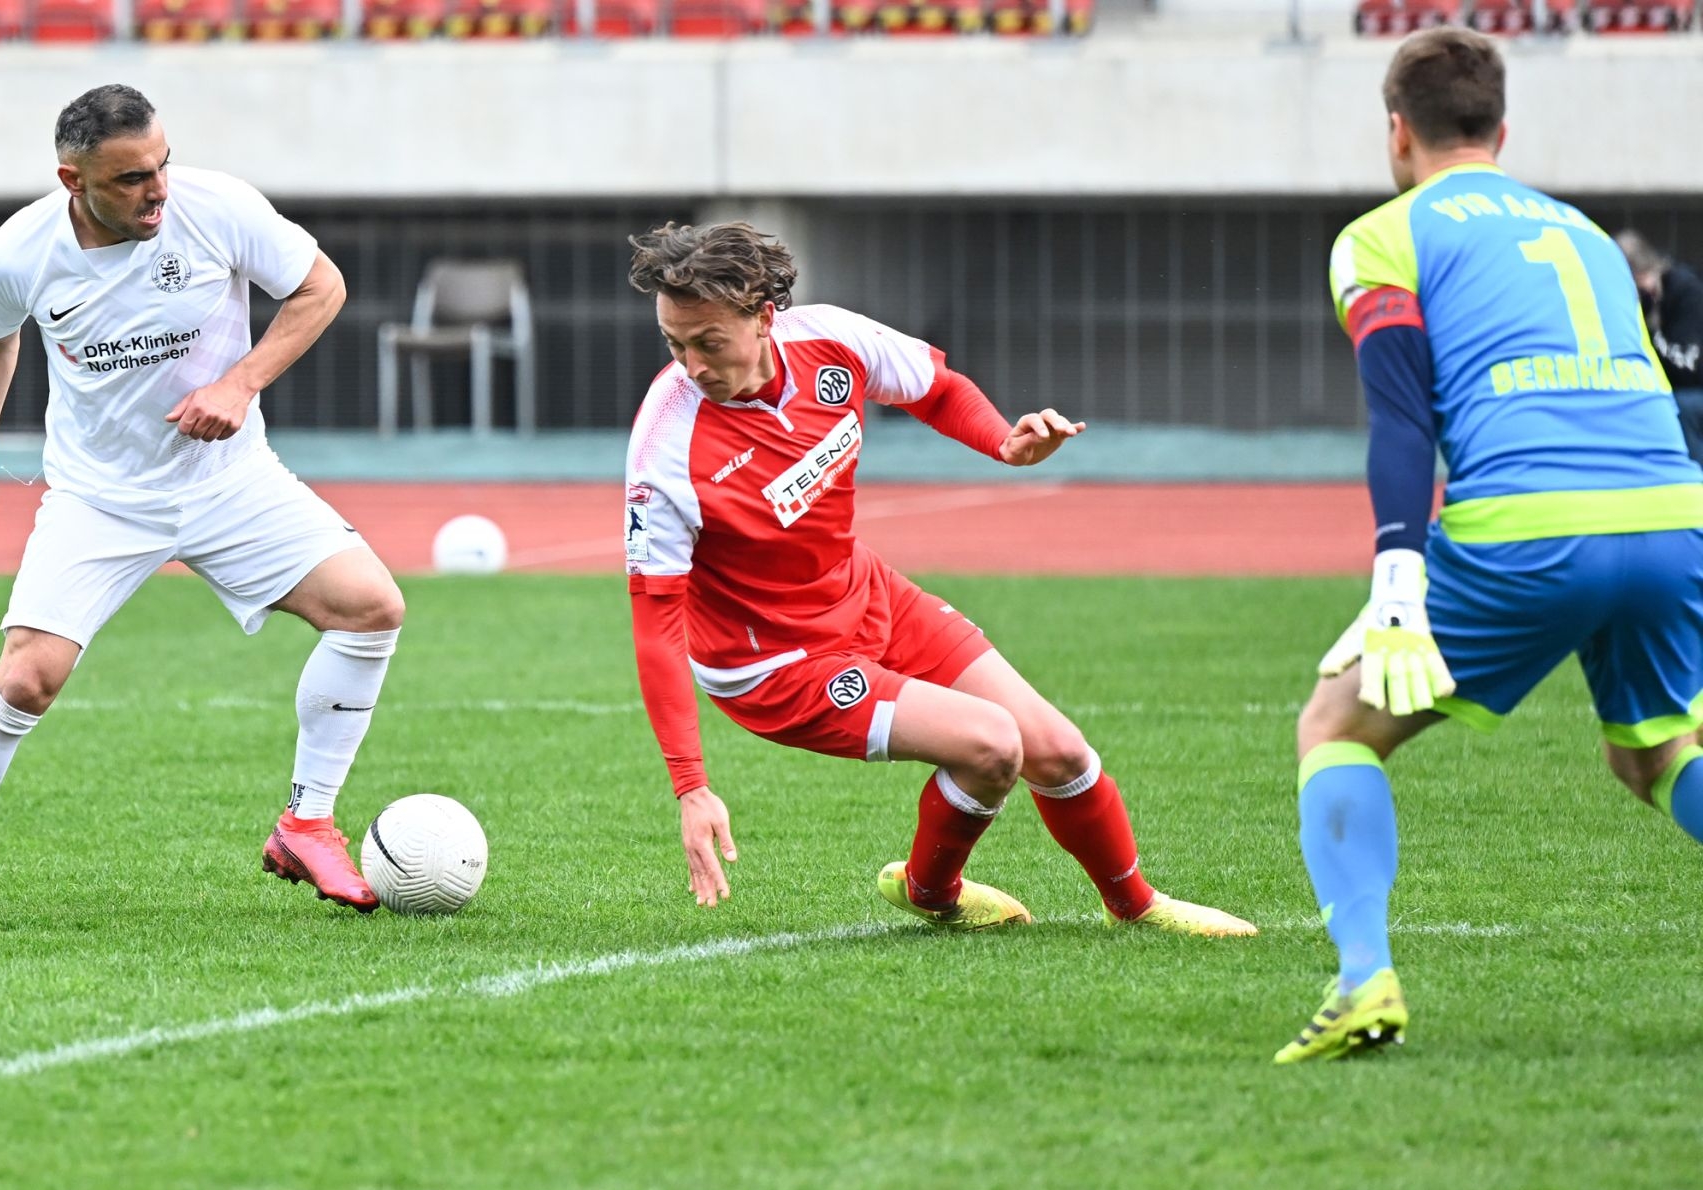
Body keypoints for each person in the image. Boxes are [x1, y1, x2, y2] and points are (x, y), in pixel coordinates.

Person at [621, 221, 1258, 938]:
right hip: (773, 666)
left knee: (1058, 751)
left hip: (864, 593)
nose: (692, 365)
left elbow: (935, 389)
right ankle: (933, 891)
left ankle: (1136, 907)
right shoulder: (666, 448)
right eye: (674, 344)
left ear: (765, 318)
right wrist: (691, 786)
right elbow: (656, 627)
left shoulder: (830, 338)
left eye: (709, 342)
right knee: (993, 745)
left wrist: (1003, 442)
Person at [0, 85, 405, 919]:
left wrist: (240, 382)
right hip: (101, 499)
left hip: (230, 480)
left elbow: (321, 287)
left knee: (371, 610)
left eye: (162, 165)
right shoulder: (19, 252)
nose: (158, 190)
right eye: (130, 179)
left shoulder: (217, 207)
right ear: (73, 180)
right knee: (28, 680)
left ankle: (306, 823)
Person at [1276, 29, 1703, 1062]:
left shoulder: (1384, 235)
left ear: (1397, 132)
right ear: (1501, 132)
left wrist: (1396, 575)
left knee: (1335, 723)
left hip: (1528, 525)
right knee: (1653, 751)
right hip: (1672, 511)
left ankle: (1362, 980)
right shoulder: (1588, 234)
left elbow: (1403, 421)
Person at [1614, 228, 1703, 463]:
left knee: (1680, 406)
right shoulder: (1632, 301)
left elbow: (1687, 367)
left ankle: (1693, 476)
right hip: (1662, 387)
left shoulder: (1685, 290)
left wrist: (1651, 327)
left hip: (1692, 388)